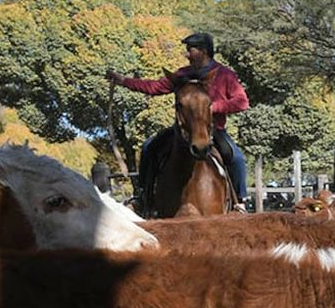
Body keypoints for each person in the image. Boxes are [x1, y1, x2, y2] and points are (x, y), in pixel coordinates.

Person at [106, 32, 249, 210]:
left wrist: (213, 108)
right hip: (182, 131)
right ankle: (142, 197)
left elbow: (242, 102)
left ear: (203, 51)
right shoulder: (182, 75)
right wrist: (123, 81)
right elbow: (154, 87)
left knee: (237, 158)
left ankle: (239, 203)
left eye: (190, 50)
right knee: (148, 147)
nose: (186, 54)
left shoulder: (225, 75)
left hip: (213, 130)